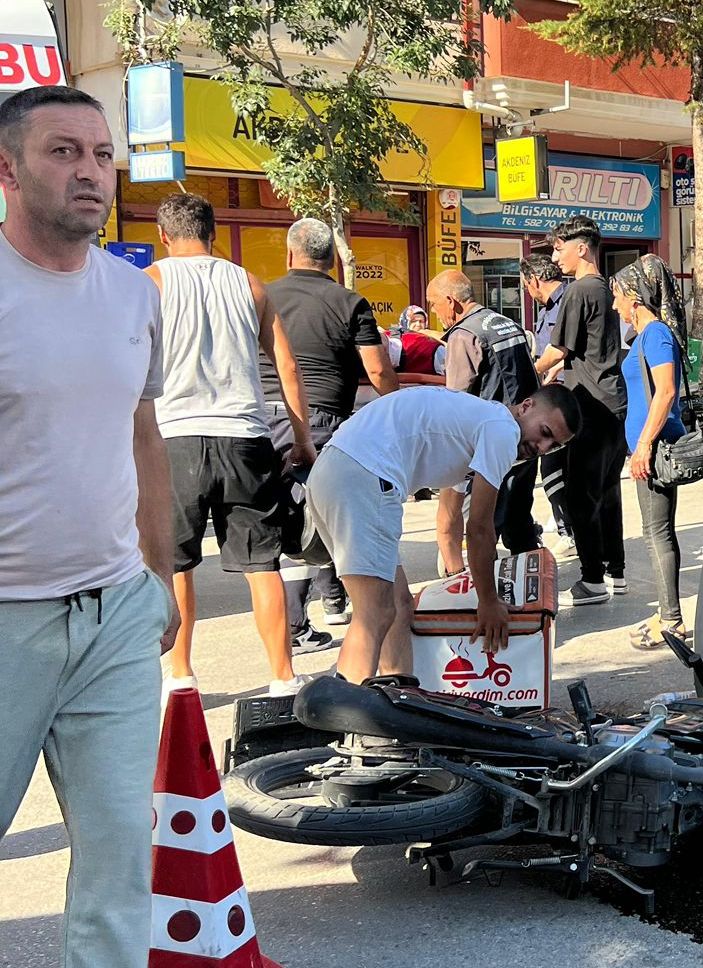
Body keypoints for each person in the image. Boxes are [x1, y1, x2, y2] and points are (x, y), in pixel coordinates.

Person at [0, 84, 179, 968]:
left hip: (114, 614)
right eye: (63, 152)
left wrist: (160, 575)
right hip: (6, 617)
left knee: (119, 860)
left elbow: (141, 432)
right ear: (8, 168)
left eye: (102, 155)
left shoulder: (131, 293)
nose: (90, 173)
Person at [146, 192, 317, 697]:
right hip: (245, 436)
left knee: (176, 563)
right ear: (212, 233)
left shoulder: (150, 282)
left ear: (163, 236)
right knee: (262, 565)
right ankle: (282, 677)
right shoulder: (248, 283)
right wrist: (302, 438)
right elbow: (286, 366)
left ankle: (181, 676)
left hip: (174, 437)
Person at [306, 386, 581, 683]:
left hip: (334, 470)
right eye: (544, 432)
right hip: (365, 475)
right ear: (526, 406)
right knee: (375, 613)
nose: (541, 447)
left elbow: (450, 520)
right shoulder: (502, 429)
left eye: (553, 446)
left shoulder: (474, 422)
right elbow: (479, 529)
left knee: (399, 607)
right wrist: (488, 601)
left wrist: (456, 576)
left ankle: (398, 702)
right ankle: (347, 712)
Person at [262, 218, 398, 646]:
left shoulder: (263, 295)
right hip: (321, 421)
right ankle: (337, 604)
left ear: (289, 255)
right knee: (320, 516)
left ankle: (292, 627)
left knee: (273, 521)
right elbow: (377, 368)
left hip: (260, 418)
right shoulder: (349, 302)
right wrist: (397, 410)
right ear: (334, 259)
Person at [534, 216, 629, 606]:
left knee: (579, 497)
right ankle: (616, 572)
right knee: (608, 493)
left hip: (589, 407)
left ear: (582, 248)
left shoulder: (578, 292)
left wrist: (529, 371)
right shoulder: (609, 290)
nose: (555, 256)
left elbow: (557, 352)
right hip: (614, 402)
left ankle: (592, 579)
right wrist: (557, 368)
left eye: (559, 247)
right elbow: (580, 355)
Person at [427, 269, 542, 571]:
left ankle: (484, 592)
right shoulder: (506, 323)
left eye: (434, 304)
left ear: (450, 301)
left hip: (490, 445)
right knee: (519, 518)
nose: (434, 312)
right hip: (526, 437)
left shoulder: (465, 335)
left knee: (482, 524)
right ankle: (531, 588)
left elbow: (457, 400)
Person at [613, 256, 691, 648]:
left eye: (618, 298)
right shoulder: (645, 337)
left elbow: (666, 392)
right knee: (654, 531)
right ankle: (667, 612)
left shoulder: (656, 335)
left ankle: (671, 619)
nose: (615, 306)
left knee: (657, 533)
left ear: (635, 298)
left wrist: (642, 445)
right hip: (647, 446)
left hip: (656, 448)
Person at [521, 254, 575, 557]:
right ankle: (565, 524)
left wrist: (538, 370)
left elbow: (563, 350)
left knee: (553, 467)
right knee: (553, 469)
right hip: (551, 394)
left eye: (526, 285)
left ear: (534, 280)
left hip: (563, 400)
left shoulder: (567, 301)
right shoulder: (548, 308)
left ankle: (570, 531)